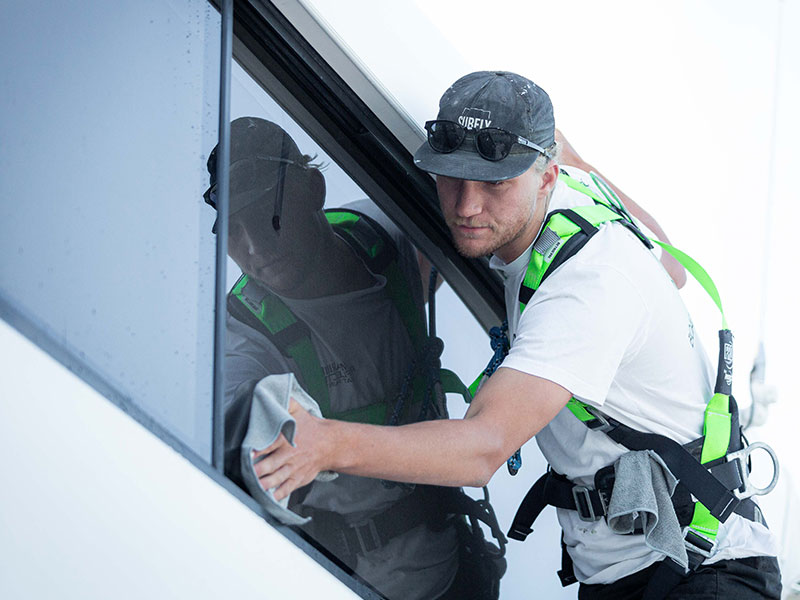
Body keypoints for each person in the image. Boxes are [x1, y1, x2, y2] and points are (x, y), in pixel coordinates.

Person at [252, 72, 782, 599]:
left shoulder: (587, 281)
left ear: (545, 176)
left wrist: (325, 445)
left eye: (494, 183)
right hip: (633, 574)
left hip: (704, 574)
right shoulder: (574, 188)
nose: (466, 206)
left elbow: (483, 450)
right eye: (451, 177)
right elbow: (671, 267)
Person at [204, 117, 504, 600]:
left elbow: (500, 210)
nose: (256, 247)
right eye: (235, 231)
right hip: (345, 583)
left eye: (269, 215)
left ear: (313, 190)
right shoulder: (242, 336)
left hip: (458, 572)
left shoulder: (391, 235)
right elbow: (242, 432)